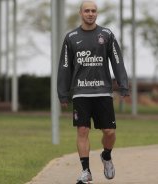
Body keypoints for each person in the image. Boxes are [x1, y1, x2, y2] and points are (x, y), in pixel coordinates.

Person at [57, 0, 129, 183]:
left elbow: (117, 61)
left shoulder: (106, 34)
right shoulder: (71, 37)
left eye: (93, 11)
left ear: (97, 13)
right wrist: (63, 93)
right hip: (81, 92)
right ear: (81, 13)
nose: (90, 13)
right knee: (82, 130)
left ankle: (106, 156)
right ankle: (86, 171)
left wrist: (123, 85)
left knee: (110, 132)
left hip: (103, 92)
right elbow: (65, 67)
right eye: (87, 10)